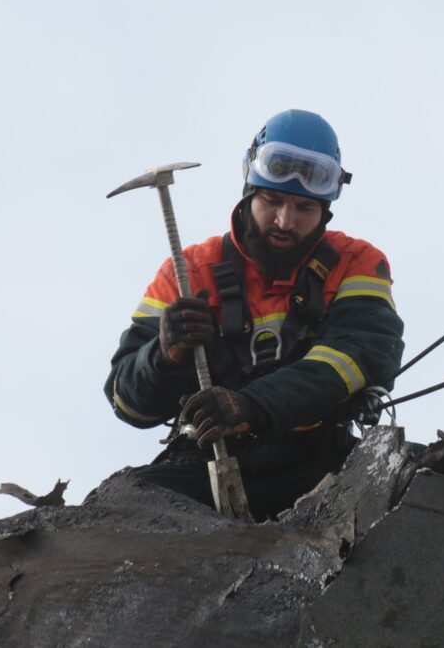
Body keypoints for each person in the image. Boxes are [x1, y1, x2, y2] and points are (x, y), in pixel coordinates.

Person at [104, 109, 405, 521]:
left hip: (318, 466)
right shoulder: (187, 272)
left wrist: (251, 406)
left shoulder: (356, 263)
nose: (285, 221)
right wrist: (164, 353)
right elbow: (127, 402)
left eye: (304, 208)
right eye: (272, 200)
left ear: (326, 211)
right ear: (248, 190)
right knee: (113, 512)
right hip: (203, 469)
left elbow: (361, 356)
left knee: (421, 492)